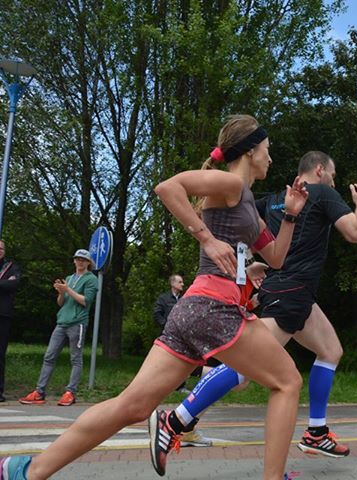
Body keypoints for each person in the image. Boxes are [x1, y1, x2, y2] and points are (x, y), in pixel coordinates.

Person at [1, 114, 307, 480]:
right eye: (267, 150)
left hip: (193, 311)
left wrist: (291, 216)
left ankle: (28, 470)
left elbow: (276, 257)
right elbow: (168, 188)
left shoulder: (248, 206)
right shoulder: (230, 183)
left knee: (132, 406)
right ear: (251, 150)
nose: (270, 158)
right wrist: (207, 239)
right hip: (214, 309)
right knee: (288, 382)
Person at [150, 150, 357, 469]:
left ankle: (316, 432)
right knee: (244, 368)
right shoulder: (322, 193)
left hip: (293, 294)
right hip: (290, 294)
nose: (334, 183)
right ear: (320, 171)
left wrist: (246, 266)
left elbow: (243, 232)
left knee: (330, 350)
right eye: (333, 176)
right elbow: (354, 232)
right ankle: (176, 420)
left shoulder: (274, 200)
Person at [19, 249, 98, 407]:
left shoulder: (91, 279)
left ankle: (70, 393)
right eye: (78, 259)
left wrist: (67, 289)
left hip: (77, 322)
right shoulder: (69, 278)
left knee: (75, 358)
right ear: (74, 261)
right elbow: (61, 303)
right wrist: (61, 292)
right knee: (49, 356)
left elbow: (85, 301)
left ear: (88, 263)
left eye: (83, 259)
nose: (80, 262)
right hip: (62, 322)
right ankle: (39, 392)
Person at [0, 240, 21, 403]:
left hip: (3, 315)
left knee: (0, 354)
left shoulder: (12, 267)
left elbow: (13, 284)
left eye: (1, 248)